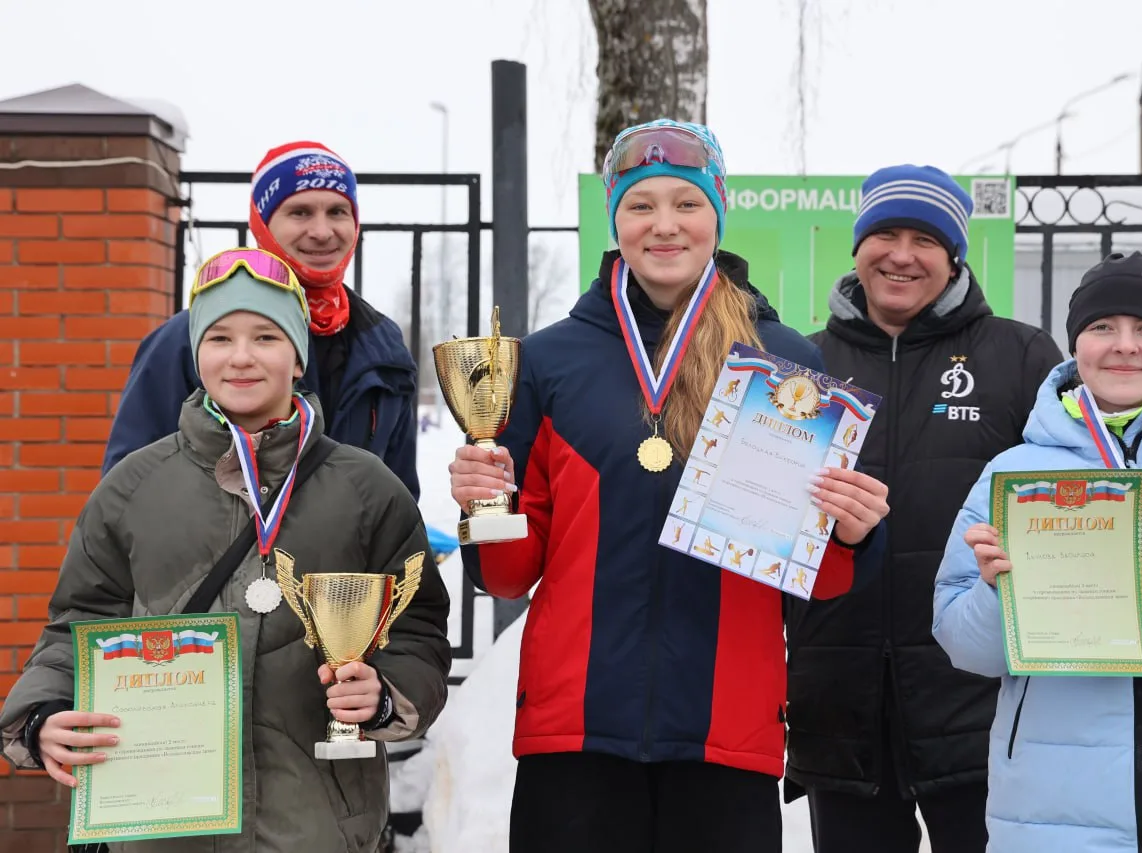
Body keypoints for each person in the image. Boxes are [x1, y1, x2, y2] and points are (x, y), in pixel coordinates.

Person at [448, 120, 890, 853]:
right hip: (576, 731)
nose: (664, 225)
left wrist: (849, 531)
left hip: (726, 733)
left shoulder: (781, 363)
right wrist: (482, 504)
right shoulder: (549, 362)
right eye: (640, 205)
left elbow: (815, 577)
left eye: (687, 203)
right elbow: (508, 575)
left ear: (718, 214)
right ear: (614, 218)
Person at [0, 248, 451, 853]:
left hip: (317, 825)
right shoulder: (134, 487)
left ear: (298, 357)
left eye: (266, 336)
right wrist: (44, 713)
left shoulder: (367, 489)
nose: (241, 357)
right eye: (219, 338)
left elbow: (417, 626)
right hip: (162, 829)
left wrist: (386, 695)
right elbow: (78, 623)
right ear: (196, 355)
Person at [934, 251, 1142, 852]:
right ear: (1076, 344)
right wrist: (996, 592)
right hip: (1052, 816)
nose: (1125, 345)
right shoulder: (1014, 474)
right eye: (1102, 326)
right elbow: (965, 647)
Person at [784, 164, 1063, 852]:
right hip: (841, 702)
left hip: (976, 702)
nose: (902, 256)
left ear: (954, 257)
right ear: (858, 247)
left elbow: (1071, 496)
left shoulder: (1019, 356)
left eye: (926, 240)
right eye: (885, 235)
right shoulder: (802, 364)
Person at [103, 141, 421, 499]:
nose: (321, 231)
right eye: (300, 212)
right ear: (263, 224)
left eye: (337, 211)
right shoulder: (186, 340)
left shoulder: (383, 344)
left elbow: (399, 497)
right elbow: (127, 493)